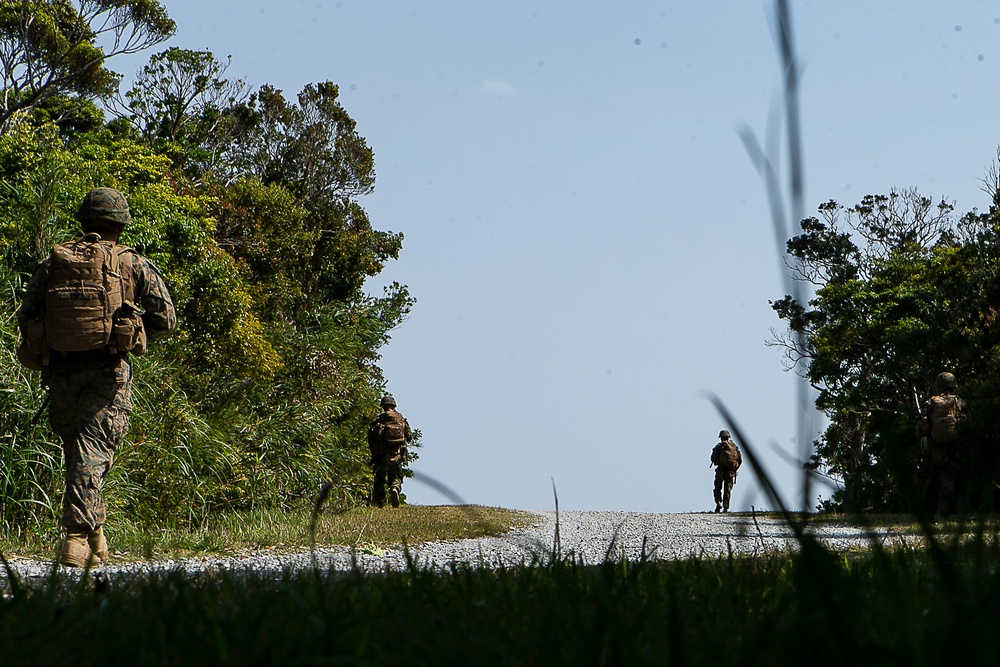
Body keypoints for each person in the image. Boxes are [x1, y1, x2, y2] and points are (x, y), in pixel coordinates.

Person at [17, 187, 176, 567]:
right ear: (120, 224)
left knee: (80, 454)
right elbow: (166, 320)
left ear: (84, 220)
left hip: (61, 371)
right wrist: (132, 337)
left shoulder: (53, 263)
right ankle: (74, 541)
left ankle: (97, 540)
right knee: (92, 455)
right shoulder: (132, 264)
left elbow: (27, 313)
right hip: (108, 373)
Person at [916, 372, 970, 517]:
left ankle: (927, 512)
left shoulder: (930, 403)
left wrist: (924, 441)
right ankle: (947, 513)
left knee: (932, 479)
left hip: (935, 447)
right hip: (955, 446)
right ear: (953, 386)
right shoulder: (960, 402)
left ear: (938, 386)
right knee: (951, 479)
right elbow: (969, 426)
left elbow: (921, 425)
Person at [367, 394, 412, 508]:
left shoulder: (379, 420)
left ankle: (380, 502)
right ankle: (394, 488)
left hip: (381, 454)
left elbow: (371, 437)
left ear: (383, 406)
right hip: (397, 452)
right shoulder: (401, 419)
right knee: (396, 476)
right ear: (393, 405)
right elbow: (409, 436)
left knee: (379, 478)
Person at [710, 429, 742, 513]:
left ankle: (718, 502)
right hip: (730, 472)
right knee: (727, 490)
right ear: (728, 437)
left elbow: (712, 458)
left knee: (717, 487)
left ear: (720, 438)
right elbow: (740, 460)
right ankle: (726, 508)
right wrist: (734, 469)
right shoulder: (734, 447)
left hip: (720, 470)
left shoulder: (719, 447)